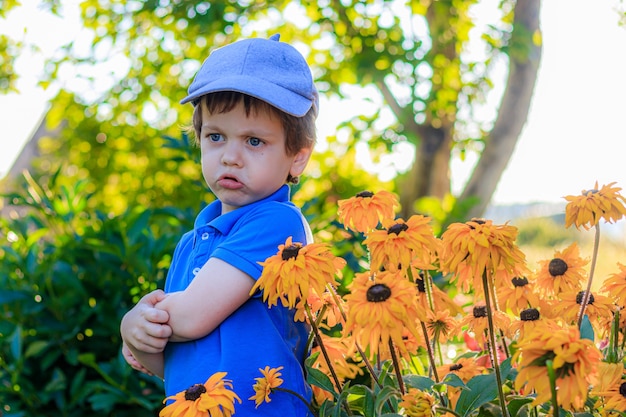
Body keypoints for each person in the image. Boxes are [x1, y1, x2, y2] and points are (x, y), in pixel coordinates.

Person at [120, 34, 318, 416]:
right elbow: (175, 364)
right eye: (215, 136)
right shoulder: (190, 243)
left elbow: (191, 317)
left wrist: (134, 324)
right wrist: (146, 341)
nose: (231, 156)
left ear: (297, 157)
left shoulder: (277, 224)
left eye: (255, 141)